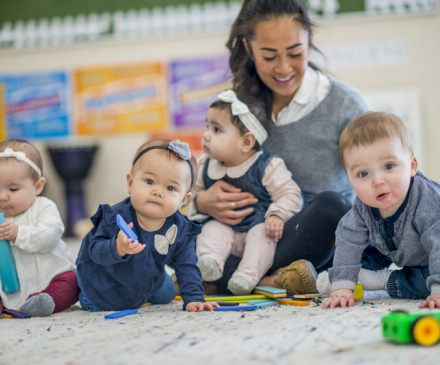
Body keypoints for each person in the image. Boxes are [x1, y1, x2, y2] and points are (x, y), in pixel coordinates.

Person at [187, 0, 370, 294]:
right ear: (248, 48)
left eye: (295, 53)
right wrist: (201, 202)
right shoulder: (237, 106)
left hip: (308, 238)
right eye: (269, 56)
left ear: (309, 43)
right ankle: (270, 280)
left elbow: (376, 182)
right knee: (178, 230)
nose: (284, 68)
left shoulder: (346, 105)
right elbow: (201, 171)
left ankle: (228, 279)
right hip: (240, 235)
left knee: (333, 206)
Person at [76, 139, 219, 312]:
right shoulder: (116, 217)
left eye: (171, 188)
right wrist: (117, 247)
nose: (158, 192)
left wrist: (194, 297)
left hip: (146, 276)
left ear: (184, 199)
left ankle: (150, 288)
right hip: (106, 280)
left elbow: (186, 264)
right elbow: (94, 251)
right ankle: (74, 281)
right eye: (150, 182)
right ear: (130, 183)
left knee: (168, 294)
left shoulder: (181, 228)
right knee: (93, 303)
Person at [322, 112, 440, 310]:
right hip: (396, 248)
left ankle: (384, 280)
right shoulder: (362, 206)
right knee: (353, 248)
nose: (377, 181)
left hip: (434, 255)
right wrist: (342, 286)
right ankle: (348, 278)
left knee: (426, 282)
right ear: (350, 180)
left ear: (411, 167)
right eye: (363, 174)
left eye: (389, 166)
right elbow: (349, 240)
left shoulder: (427, 200)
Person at [191, 89, 304, 295]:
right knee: (211, 229)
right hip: (224, 228)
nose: (206, 135)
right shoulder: (205, 165)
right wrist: (200, 200)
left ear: (246, 142)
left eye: (216, 130)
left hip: (257, 225)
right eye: (207, 126)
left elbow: (291, 194)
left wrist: (277, 213)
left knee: (263, 236)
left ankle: (246, 276)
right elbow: (188, 195)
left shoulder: (267, 165)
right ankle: (209, 263)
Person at [0, 139, 78, 317]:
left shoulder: (44, 207)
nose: (2, 196)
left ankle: (45, 302)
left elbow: (50, 235)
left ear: (37, 187)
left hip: (50, 276)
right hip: (7, 284)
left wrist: (18, 233)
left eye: (12, 189)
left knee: (72, 282)